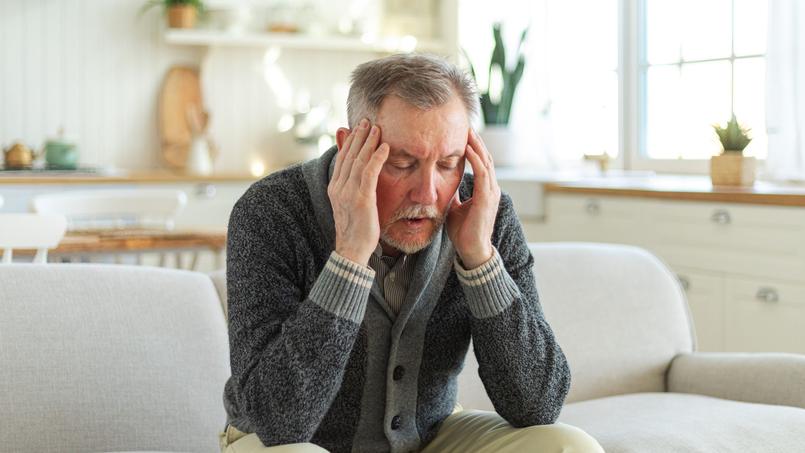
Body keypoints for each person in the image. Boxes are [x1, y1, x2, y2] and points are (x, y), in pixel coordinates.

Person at [219, 53, 604, 453]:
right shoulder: (270, 212)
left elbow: (538, 405)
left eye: (448, 164)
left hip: (428, 439)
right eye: (403, 164)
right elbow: (278, 421)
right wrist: (350, 256)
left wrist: (480, 260)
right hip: (282, 444)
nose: (427, 193)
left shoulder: (485, 213)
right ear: (350, 148)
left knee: (567, 445)